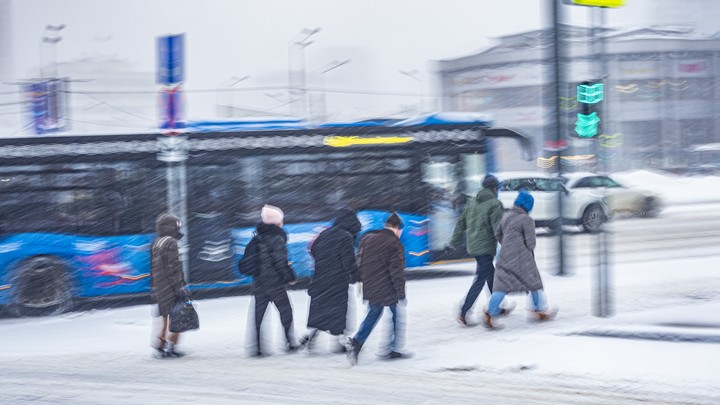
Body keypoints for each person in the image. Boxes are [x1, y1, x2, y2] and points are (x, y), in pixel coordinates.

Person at [483, 190, 555, 329]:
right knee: (534, 283)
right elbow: (531, 243)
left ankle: (489, 313)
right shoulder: (526, 220)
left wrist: (508, 244)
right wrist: (519, 246)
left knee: (502, 286)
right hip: (523, 259)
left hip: (505, 256)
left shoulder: (506, 216)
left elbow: (497, 234)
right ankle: (538, 310)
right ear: (528, 206)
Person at [446, 174, 509, 326]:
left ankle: (496, 306)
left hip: (474, 246)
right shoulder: (495, 204)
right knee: (481, 278)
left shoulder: (472, 202)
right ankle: (464, 311)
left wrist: (453, 242)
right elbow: (497, 228)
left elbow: (461, 222)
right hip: (485, 247)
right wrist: (507, 245)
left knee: (490, 276)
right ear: (495, 189)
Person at [346, 213, 407, 365]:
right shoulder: (394, 243)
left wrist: (363, 281)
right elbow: (396, 271)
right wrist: (400, 292)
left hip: (372, 285)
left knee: (374, 313)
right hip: (387, 287)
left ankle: (357, 342)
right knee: (395, 316)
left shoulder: (369, 239)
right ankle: (391, 349)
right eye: (401, 230)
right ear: (397, 228)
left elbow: (360, 262)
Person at [299, 209, 361, 353]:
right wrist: (355, 275)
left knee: (320, 310)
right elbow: (348, 261)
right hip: (337, 280)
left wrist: (325, 261)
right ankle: (339, 344)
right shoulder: (345, 237)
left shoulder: (324, 233)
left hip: (320, 277)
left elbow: (313, 249)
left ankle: (312, 339)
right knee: (338, 312)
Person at [243, 204, 299, 356]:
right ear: (277, 222)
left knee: (258, 316)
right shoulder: (277, 238)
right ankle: (290, 343)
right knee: (286, 312)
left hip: (259, 283)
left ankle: (257, 347)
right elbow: (281, 261)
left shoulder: (257, 238)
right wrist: (291, 277)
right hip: (275, 284)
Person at [150, 213, 188, 358]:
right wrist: (179, 286)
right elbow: (173, 268)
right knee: (179, 316)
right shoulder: (171, 242)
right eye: (177, 226)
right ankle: (172, 347)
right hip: (170, 287)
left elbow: (154, 267)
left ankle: (160, 346)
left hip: (160, 287)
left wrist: (155, 286)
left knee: (165, 317)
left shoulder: (157, 242)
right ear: (171, 227)